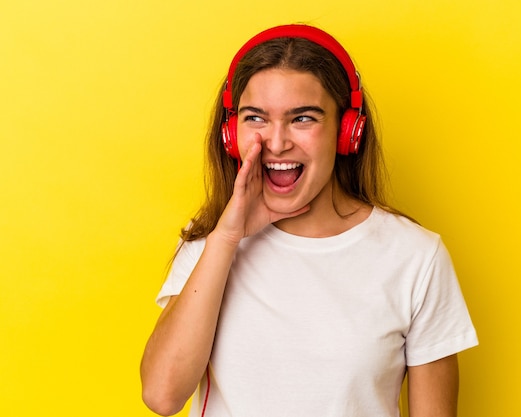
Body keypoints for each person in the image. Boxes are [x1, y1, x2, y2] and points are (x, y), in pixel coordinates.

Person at [140, 24, 478, 417]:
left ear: (347, 132)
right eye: (255, 118)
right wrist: (227, 238)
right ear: (231, 135)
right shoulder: (210, 244)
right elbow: (162, 397)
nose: (277, 141)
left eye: (302, 118)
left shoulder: (415, 256)